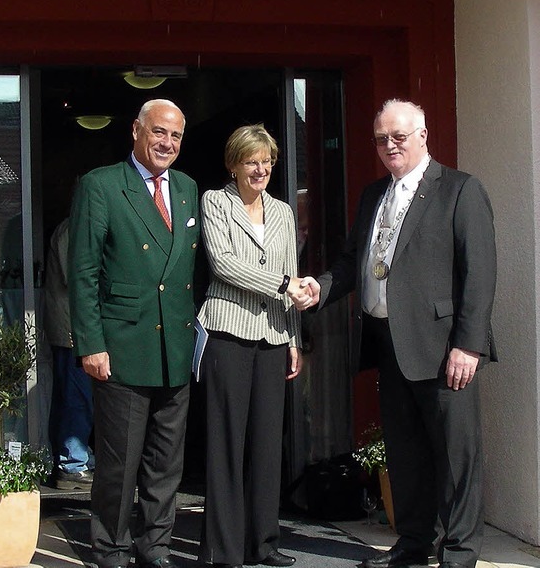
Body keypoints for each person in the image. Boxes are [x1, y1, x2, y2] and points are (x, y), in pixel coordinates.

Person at [301, 99, 497, 568]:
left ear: (423, 135)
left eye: (399, 137)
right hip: (389, 345)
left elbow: (480, 273)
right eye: (381, 139)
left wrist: (468, 345)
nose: (389, 145)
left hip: (444, 348)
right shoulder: (374, 195)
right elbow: (354, 262)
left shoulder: (459, 189)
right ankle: (413, 545)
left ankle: (460, 553)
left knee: (456, 457)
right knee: (406, 454)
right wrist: (320, 287)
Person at [68, 99, 199, 568]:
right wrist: (91, 343)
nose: (167, 143)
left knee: (166, 463)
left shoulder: (186, 188)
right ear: (137, 132)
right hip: (122, 345)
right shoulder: (102, 185)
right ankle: (112, 547)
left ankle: (155, 546)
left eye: (177, 136)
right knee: (119, 464)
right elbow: (83, 272)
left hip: (175, 347)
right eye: (159, 132)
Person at [197, 124, 311, 568]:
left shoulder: (283, 211)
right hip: (227, 333)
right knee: (226, 443)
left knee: (268, 443)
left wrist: (294, 337)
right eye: (251, 161)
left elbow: (293, 269)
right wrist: (284, 285)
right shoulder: (215, 202)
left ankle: (264, 543)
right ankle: (223, 551)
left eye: (266, 161)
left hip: (273, 337)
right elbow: (224, 265)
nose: (261, 169)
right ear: (234, 164)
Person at [44, 216, 95, 490]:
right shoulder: (72, 229)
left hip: (72, 329)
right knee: (76, 398)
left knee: (73, 397)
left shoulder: (72, 227)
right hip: (71, 330)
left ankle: (77, 458)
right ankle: (72, 464)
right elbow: (76, 276)